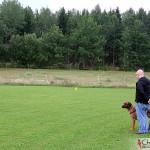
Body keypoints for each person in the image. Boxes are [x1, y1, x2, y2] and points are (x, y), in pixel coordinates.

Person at [135, 69, 150, 134]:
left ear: (138, 75)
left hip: (141, 102)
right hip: (148, 103)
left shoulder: (139, 82)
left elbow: (141, 92)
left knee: (141, 117)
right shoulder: (148, 81)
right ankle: (146, 129)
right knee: (145, 116)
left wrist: (147, 99)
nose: (136, 77)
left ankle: (143, 130)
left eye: (136, 75)